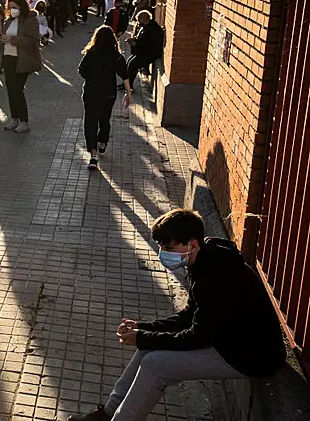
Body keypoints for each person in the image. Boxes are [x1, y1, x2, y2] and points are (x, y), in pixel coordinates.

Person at [69, 209, 286, 421]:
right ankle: (108, 413)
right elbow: (188, 316)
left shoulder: (216, 276)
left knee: (156, 365)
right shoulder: (203, 260)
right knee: (149, 348)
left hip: (249, 356)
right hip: (228, 340)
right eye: (161, 246)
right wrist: (145, 329)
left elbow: (197, 336)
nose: (164, 252)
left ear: (192, 244)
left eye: (169, 246)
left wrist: (142, 337)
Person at [78, 26, 131, 171]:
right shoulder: (116, 56)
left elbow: (81, 70)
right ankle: (102, 140)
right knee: (104, 118)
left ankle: (93, 155)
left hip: (91, 92)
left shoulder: (91, 53)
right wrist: (128, 93)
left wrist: (91, 77)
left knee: (90, 121)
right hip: (109, 93)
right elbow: (124, 74)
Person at [0, 0, 42, 134]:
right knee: (10, 90)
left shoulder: (30, 20)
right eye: (10, 7)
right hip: (8, 59)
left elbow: (30, 40)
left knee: (18, 90)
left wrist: (11, 39)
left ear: (22, 6)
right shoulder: (8, 20)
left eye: (15, 7)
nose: (12, 10)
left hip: (22, 60)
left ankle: (24, 121)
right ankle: (14, 118)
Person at [126, 10, 164, 88]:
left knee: (133, 64)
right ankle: (127, 84)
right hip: (145, 51)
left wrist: (134, 43)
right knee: (129, 61)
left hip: (150, 53)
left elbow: (146, 42)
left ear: (143, 19)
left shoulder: (151, 28)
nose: (139, 22)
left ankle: (129, 85)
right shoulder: (147, 26)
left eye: (139, 20)